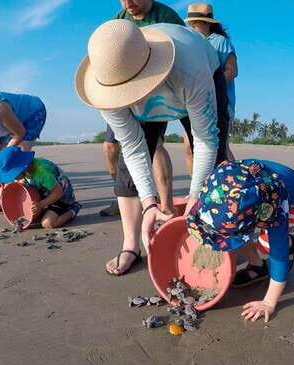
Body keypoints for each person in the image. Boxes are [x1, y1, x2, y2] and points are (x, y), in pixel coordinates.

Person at [75, 20, 227, 275]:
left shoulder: (190, 70)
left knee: (216, 165)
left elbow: (205, 139)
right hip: (149, 78)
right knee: (126, 168)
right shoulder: (105, 81)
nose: (131, 98)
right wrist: (149, 204)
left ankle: (221, 235)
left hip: (196, 75)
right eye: (122, 93)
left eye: (132, 90)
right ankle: (131, 246)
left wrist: (194, 197)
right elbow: (133, 147)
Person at [187, 160, 294, 322]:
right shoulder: (216, 181)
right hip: (249, 180)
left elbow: (279, 257)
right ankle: (258, 266)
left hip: (292, 193)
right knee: (236, 231)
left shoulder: (277, 210)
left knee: (270, 246)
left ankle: (290, 244)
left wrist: (269, 302)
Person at [99, 0, 186, 218]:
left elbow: (182, 61)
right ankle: (126, 195)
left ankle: (165, 204)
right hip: (126, 91)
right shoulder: (119, 21)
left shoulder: (166, 18)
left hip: (157, 91)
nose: (129, 3)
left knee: (154, 145)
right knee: (110, 147)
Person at [183, 2, 237, 174]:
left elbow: (232, 71)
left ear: (206, 23)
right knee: (189, 147)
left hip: (219, 103)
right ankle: (198, 191)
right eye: (190, 23)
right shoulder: (190, 43)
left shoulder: (220, 42)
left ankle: (234, 186)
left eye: (195, 22)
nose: (190, 26)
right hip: (194, 103)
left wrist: (209, 87)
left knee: (221, 150)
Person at [0, 146, 81, 229]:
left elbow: (58, 192)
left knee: (47, 223)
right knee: (32, 212)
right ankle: (44, 208)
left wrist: (41, 204)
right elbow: (9, 183)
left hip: (61, 196)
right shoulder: (25, 170)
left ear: (22, 168)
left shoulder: (42, 172)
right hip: (42, 191)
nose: (12, 178)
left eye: (12, 175)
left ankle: (73, 209)